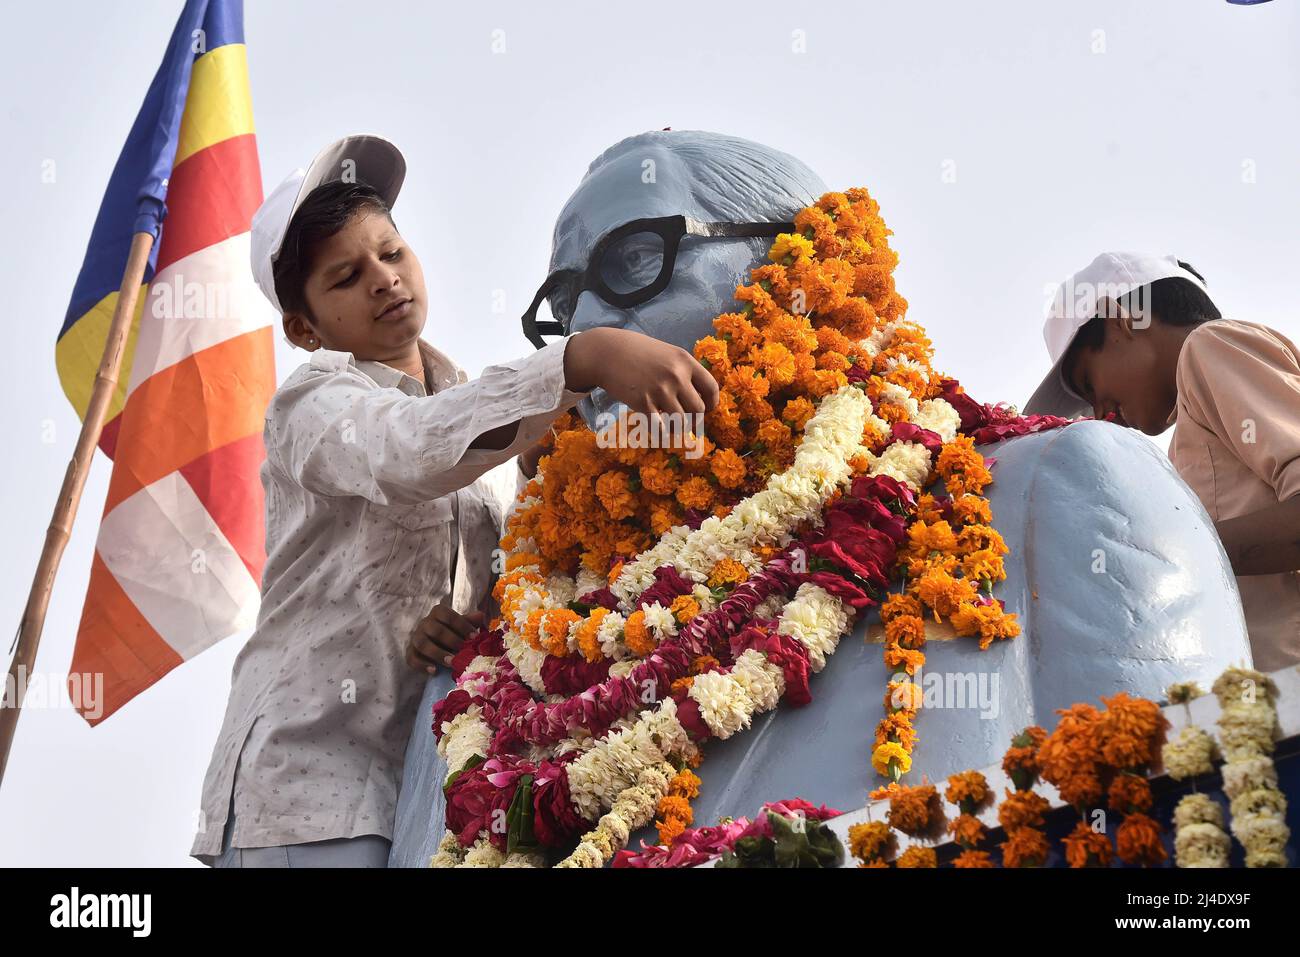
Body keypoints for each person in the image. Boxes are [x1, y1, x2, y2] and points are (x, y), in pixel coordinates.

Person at [190, 134, 718, 867]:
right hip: (311, 792)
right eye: (347, 275)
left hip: (430, 784)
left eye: (391, 252)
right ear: (304, 328)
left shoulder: (474, 408)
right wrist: (580, 356)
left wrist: (456, 628)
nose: (383, 279)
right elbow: (409, 452)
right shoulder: (313, 406)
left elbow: (516, 562)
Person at [1026, 251, 1300, 672]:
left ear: (1121, 322)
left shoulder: (1212, 347)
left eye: (1088, 383)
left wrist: (1159, 555)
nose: (1100, 412)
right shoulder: (1182, 447)